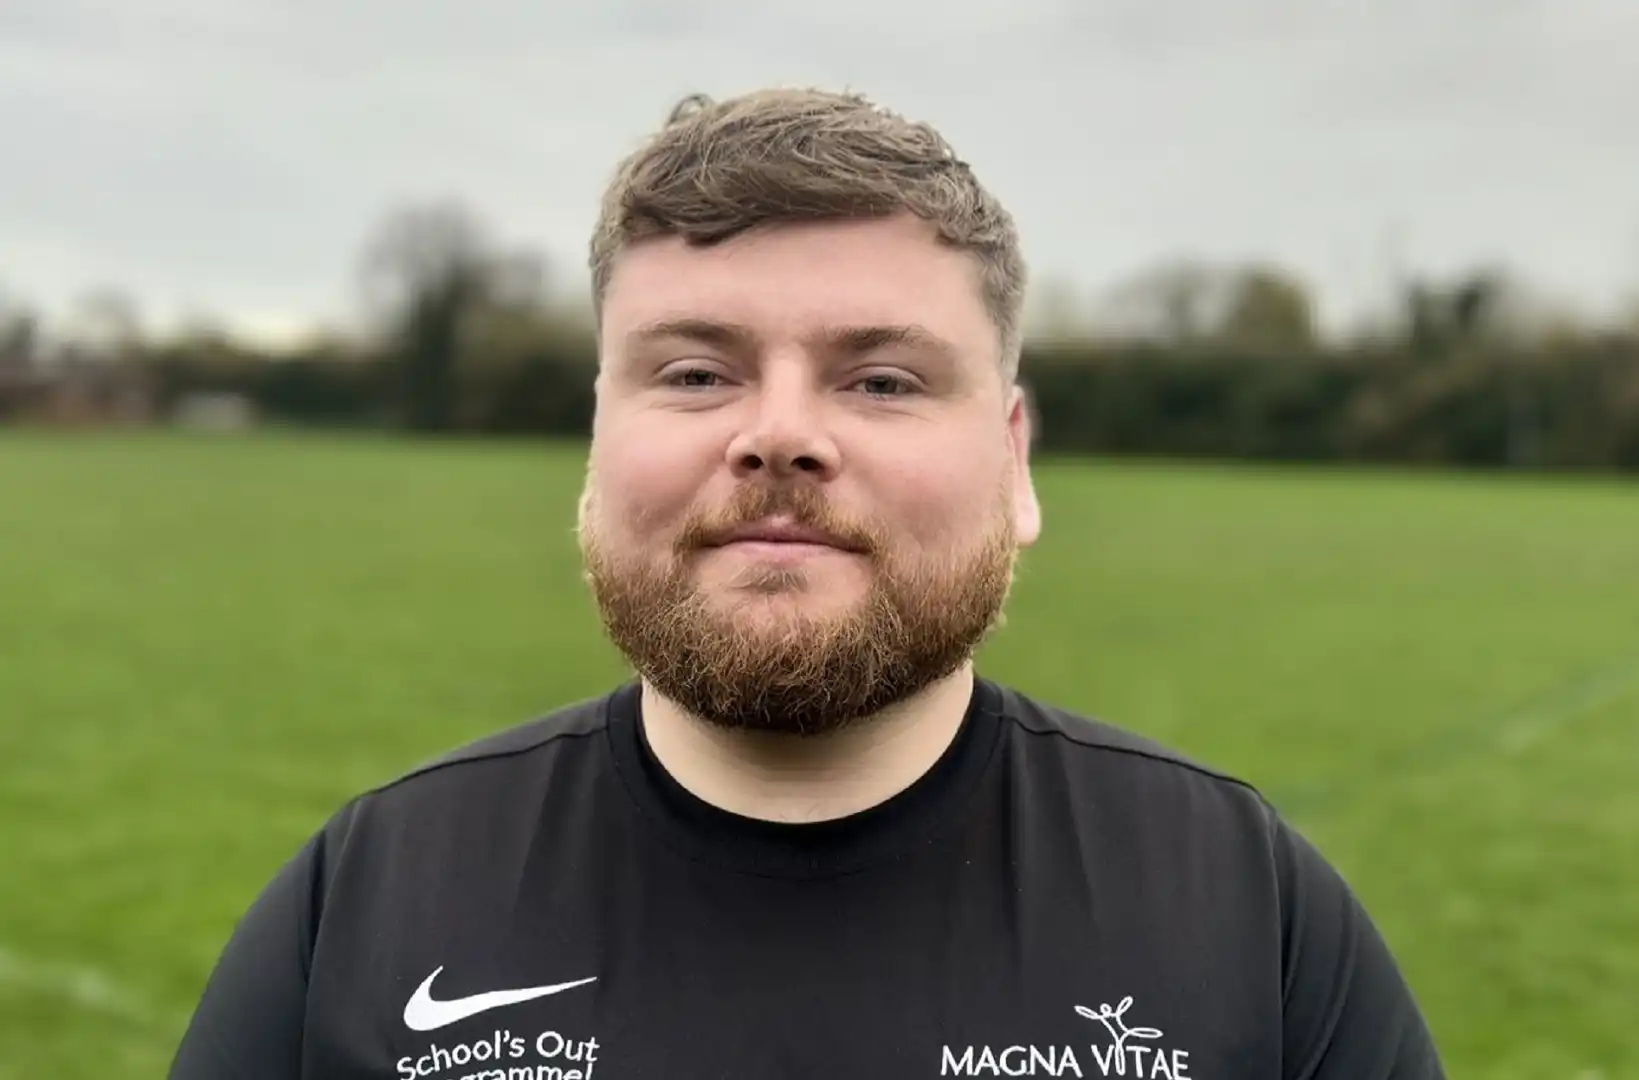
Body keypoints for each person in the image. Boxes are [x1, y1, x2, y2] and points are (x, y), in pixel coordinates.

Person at [168, 87, 1446, 1080]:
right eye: (693, 372)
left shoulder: (1242, 908)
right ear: (595, 447)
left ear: (1012, 462)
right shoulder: (370, 899)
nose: (779, 435)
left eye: (881, 379)